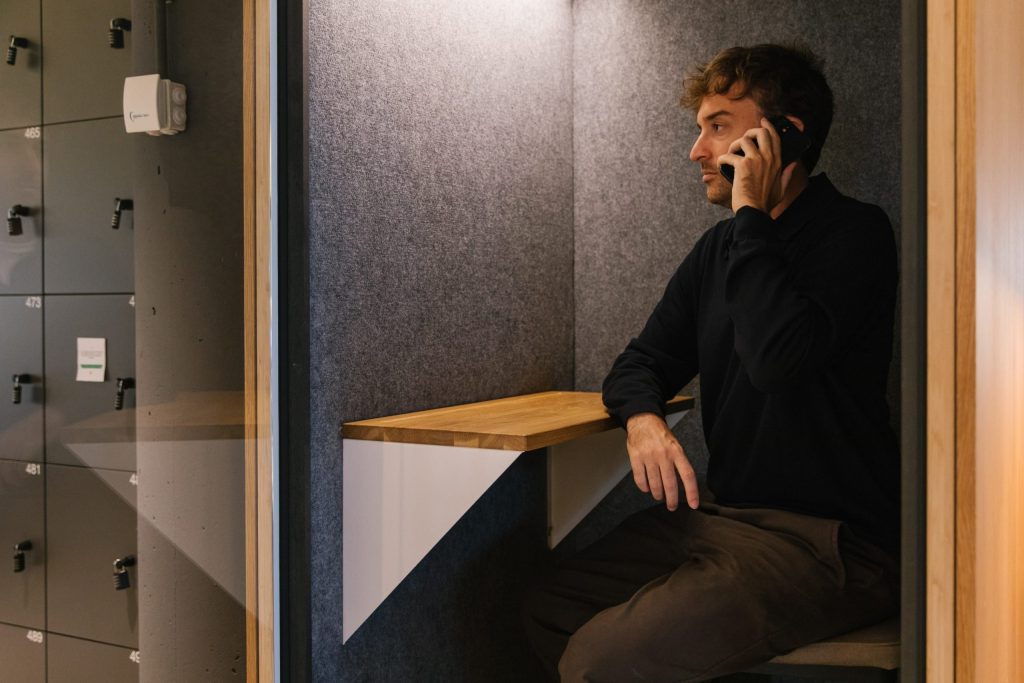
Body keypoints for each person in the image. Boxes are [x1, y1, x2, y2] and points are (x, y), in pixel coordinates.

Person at [523, 44, 901, 682]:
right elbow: (640, 361)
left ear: (784, 137)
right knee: (548, 608)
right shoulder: (717, 249)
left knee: (597, 662)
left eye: (719, 127)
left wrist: (750, 210)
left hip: (829, 544)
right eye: (699, 129)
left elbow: (776, 360)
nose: (696, 150)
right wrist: (642, 419)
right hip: (724, 521)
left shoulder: (856, 234)